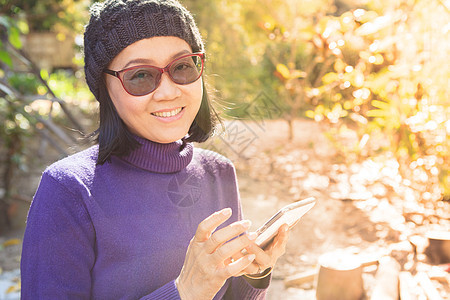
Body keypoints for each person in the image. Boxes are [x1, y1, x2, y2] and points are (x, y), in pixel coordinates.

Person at [20, 0, 290, 299]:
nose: (169, 91)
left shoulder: (219, 172)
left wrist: (255, 275)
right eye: (140, 75)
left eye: (182, 67)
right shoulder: (69, 190)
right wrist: (184, 291)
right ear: (104, 89)